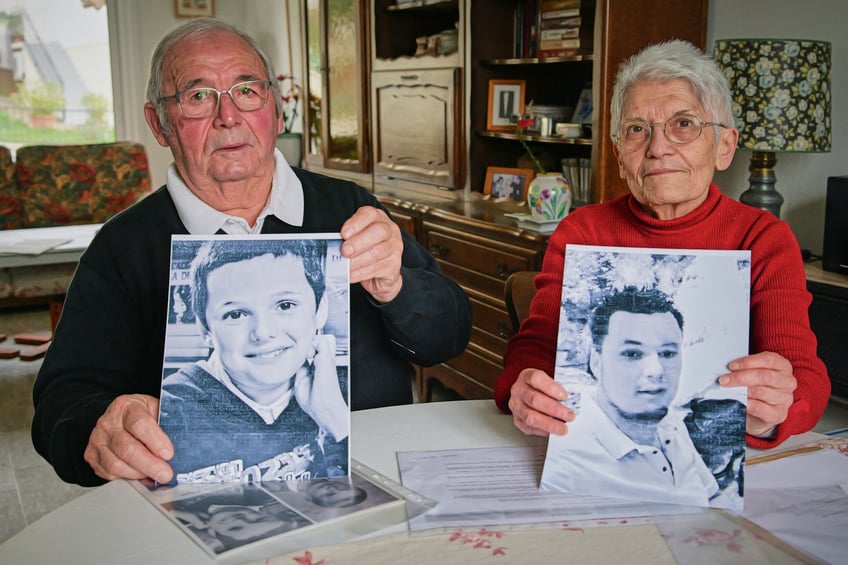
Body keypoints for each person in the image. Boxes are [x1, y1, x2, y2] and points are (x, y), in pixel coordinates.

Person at [31, 18, 471, 487]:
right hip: (204, 517)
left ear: (276, 113)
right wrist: (101, 429)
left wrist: (395, 288)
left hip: (373, 482)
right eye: (198, 96)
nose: (228, 116)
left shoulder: (350, 209)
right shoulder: (123, 247)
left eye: (246, 90)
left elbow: (448, 337)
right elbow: (61, 403)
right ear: (159, 124)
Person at [495, 40, 830, 449]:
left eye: (684, 124)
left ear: (724, 146)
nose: (657, 148)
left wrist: (773, 413)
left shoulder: (763, 239)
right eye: (637, 130)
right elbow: (537, 347)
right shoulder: (583, 232)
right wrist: (524, 386)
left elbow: (806, 378)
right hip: (592, 454)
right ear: (620, 155)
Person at [159, 238, 348, 483]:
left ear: (320, 310)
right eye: (235, 314)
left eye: (285, 305)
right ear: (205, 329)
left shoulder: (339, 391)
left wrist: (334, 416)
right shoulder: (173, 411)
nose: (262, 332)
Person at [540, 287, 728, 508]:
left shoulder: (672, 426)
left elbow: (713, 498)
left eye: (667, 353)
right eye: (632, 353)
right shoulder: (565, 457)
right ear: (596, 363)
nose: (655, 370)